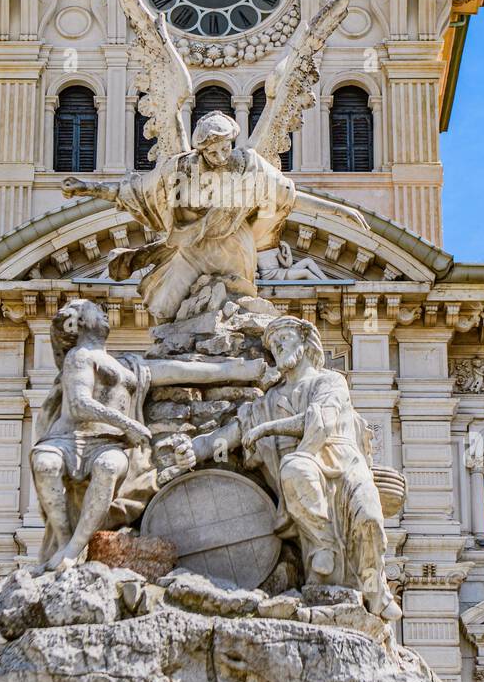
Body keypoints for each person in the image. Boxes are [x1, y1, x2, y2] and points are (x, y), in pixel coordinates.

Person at [190, 315, 401, 618]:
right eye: (273, 344)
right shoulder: (267, 401)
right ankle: (323, 548)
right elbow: (228, 436)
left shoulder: (329, 381)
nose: (278, 346)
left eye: (284, 338)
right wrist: (192, 452)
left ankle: (375, 589)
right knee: (295, 466)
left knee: (369, 517)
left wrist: (266, 430)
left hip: (344, 465)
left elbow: (320, 421)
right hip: (303, 475)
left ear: (305, 342)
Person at [30, 297, 264, 572]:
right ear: (79, 322)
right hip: (68, 440)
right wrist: (127, 424)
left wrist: (240, 370)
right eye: (96, 310)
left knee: (109, 466)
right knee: (45, 463)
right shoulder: (79, 357)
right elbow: (80, 404)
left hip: (106, 445)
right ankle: (63, 541)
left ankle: (73, 548)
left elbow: (180, 371)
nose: (105, 313)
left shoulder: (131, 366)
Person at [62, 112, 295, 322]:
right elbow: (136, 191)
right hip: (194, 247)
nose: (221, 157)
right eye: (213, 152)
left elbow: (284, 194)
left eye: (226, 148)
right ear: (201, 151)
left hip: (233, 248)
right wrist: (88, 188)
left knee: (230, 311)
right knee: (164, 308)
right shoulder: (180, 169)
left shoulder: (249, 164)